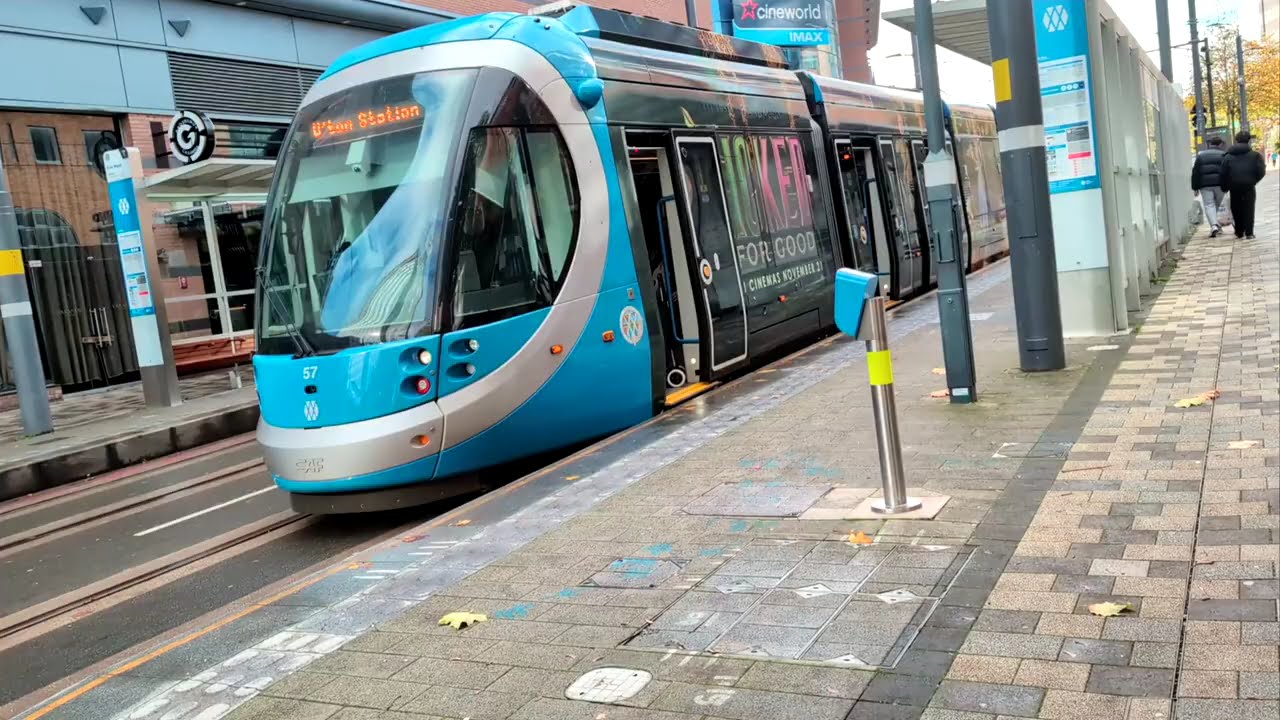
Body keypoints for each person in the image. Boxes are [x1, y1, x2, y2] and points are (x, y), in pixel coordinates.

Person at [1220, 131, 1267, 239]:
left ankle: (1239, 231)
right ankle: (1249, 233)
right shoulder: (1255, 155)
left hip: (1234, 186)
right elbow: (1261, 171)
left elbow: (1223, 173)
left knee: (1236, 208)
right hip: (1249, 186)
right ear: (1248, 140)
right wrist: (1254, 180)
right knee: (1249, 208)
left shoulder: (1228, 156)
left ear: (1236, 140)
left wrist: (1225, 186)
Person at [1191, 136, 1228, 237]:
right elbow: (1227, 170)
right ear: (1220, 144)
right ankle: (1216, 225)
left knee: (1209, 205)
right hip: (1220, 184)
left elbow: (1195, 172)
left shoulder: (1201, 156)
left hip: (1205, 185)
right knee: (1217, 204)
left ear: (1210, 144)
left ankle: (1214, 226)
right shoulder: (1224, 155)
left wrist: (1195, 187)